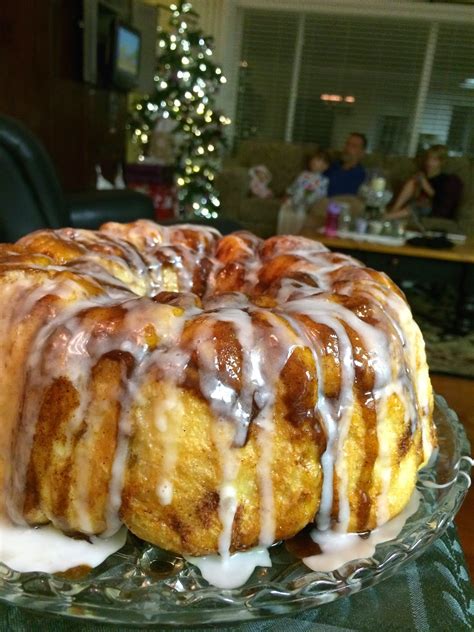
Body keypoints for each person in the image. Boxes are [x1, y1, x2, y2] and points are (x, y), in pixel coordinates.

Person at [385, 145, 463, 221]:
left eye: (434, 160)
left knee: (421, 206)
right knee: (413, 182)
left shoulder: (446, 180)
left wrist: (425, 185)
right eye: (428, 158)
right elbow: (415, 197)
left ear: (441, 162)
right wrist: (418, 185)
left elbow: (441, 201)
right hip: (415, 206)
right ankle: (393, 211)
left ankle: (386, 217)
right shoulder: (422, 175)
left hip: (433, 209)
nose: (429, 162)